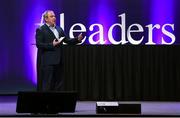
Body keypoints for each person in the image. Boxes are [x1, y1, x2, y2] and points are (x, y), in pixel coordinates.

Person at [35, 10, 83, 91]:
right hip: (48, 62)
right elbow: (39, 44)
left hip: (59, 61)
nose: (54, 18)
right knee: (47, 84)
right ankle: (45, 103)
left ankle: (56, 102)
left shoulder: (59, 29)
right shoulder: (41, 30)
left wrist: (77, 39)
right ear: (46, 19)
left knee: (58, 84)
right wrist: (52, 44)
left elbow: (66, 40)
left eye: (54, 16)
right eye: (51, 16)